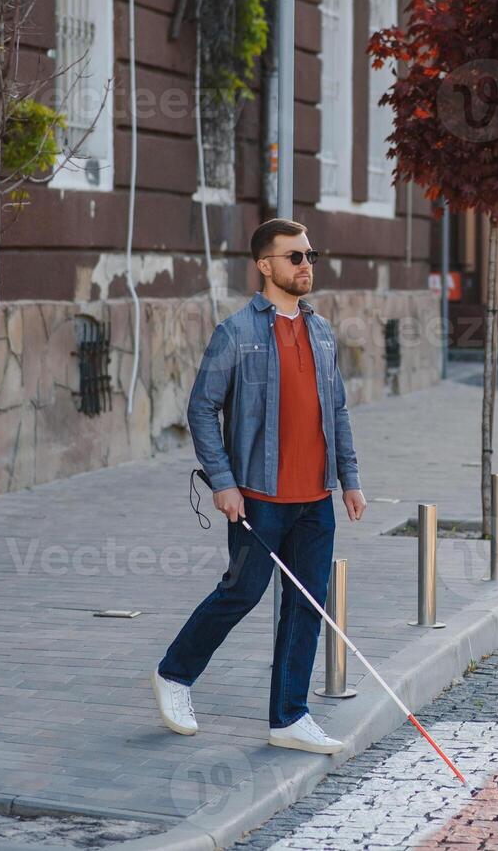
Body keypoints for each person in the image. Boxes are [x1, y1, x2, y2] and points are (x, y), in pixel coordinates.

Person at [152, 219, 366, 754]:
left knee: (307, 605)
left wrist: (350, 480)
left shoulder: (320, 331)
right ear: (265, 266)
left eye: (310, 255)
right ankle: (174, 676)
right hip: (259, 500)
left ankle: (289, 717)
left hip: (315, 499)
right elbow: (202, 408)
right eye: (294, 256)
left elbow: (335, 410)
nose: (305, 264)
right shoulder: (237, 332)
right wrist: (223, 483)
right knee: (242, 592)